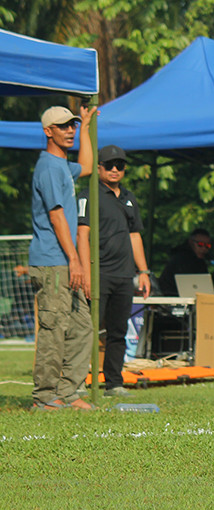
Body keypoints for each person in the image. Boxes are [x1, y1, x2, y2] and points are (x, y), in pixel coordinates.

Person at [28, 105, 98, 411]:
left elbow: (87, 167)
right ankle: (44, 397)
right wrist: (75, 259)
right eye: (63, 127)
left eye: (71, 126)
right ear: (48, 132)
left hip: (65, 260)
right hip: (54, 261)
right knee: (54, 329)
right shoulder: (48, 168)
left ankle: (69, 392)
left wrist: (85, 128)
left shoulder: (62, 165)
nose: (69, 131)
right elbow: (57, 217)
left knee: (83, 326)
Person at [77, 145, 151, 398]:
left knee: (118, 332)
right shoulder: (89, 196)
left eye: (119, 165)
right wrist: (86, 272)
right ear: (98, 167)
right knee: (86, 330)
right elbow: (82, 235)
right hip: (99, 273)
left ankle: (113, 383)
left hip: (124, 275)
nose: (115, 169)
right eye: (109, 165)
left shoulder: (129, 198)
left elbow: (135, 236)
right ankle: (75, 383)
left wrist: (143, 271)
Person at [158, 228, 214, 296]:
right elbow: (196, 286)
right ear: (191, 242)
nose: (204, 248)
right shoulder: (181, 259)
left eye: (207, 246)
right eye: (200, 244)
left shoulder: (199, 261)